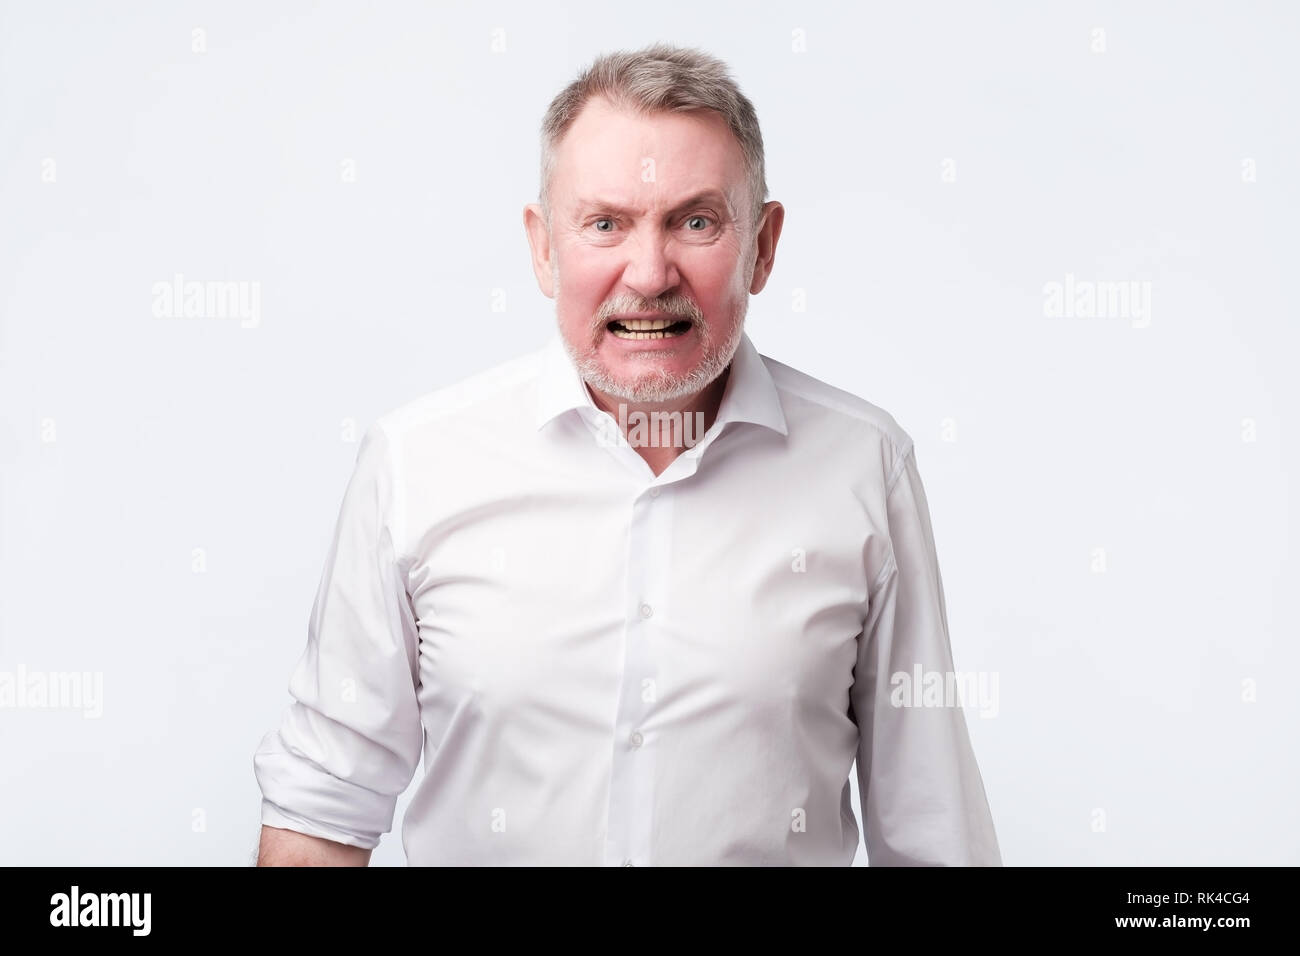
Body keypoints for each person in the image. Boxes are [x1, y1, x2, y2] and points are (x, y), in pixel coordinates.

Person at [253, 42, 1002, 867]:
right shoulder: (414, 466)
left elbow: (932, 833)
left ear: (762, 244)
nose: (649, 275)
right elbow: (320, 819)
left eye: (696, 221)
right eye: (606, 223)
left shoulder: (866, 468)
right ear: (544, 248)